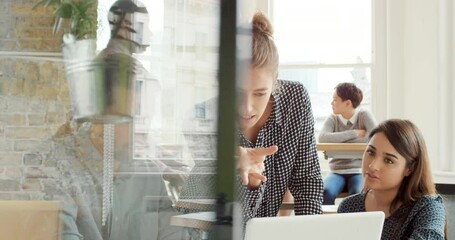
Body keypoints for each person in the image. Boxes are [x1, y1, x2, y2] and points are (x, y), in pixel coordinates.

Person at [179, 11, 323, 224]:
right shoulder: (201, 119)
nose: (246, 108)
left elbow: (306, 181)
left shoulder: (296, 100)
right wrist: (245, 178)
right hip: (205, 229)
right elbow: (230, 218)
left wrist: (311, 233)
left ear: (275, 82)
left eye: (260, 93)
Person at [338, 119, 447, 239]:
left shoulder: (428, 208)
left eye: (388, 160)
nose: (373, 166)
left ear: (410, 168)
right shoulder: (348, 207)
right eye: (370, 152)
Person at [318, 82, 377, 205]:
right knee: (326, 192)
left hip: (358, 171)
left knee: (357, 194)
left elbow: (375, 138)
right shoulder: (333, 119)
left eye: (335, 100)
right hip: (336, 172)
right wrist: (354, 133)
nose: (331, 103)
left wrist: (337, 140)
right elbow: (323, 138)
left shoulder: (364, 115)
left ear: (347, 103)